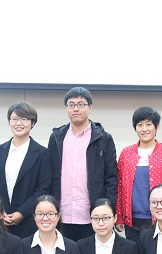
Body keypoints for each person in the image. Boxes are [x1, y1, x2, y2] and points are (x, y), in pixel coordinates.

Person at [48, 87, 118, 241]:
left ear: (90, 107)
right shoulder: (56, 138)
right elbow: (49, 175)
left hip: (93, 215)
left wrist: (108, 209)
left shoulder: (104, 138)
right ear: (66, 108)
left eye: (81, 104)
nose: (76, 109)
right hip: (62, 214)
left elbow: (111, 178)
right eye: (71, 105)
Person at [115, 106, 162, 244]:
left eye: (148, 124)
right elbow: (119, 186)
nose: (144, 129)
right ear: (135, 128)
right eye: (140, 125)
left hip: (161, 218)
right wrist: (120, 216)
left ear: (156, 127)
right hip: (132, 220)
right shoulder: (126, 154)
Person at [0, 101, 52, 239]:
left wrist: (22, 213)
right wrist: (0, 211)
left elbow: (43, 188)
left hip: (29, 220)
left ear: (32, 123)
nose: (18, 123)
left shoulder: (42, 153)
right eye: (14, 119)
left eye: (24, 119)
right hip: (1, 220)